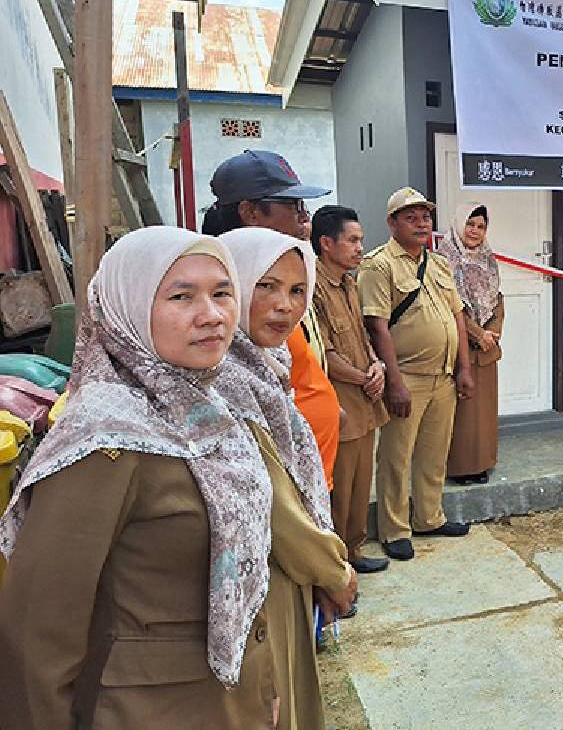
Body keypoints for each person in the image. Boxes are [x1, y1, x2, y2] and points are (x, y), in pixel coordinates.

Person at [0, 227, 276, 729]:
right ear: (126, 309)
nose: (211, 315)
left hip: (231, 702)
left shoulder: (215, 411)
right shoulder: (102, 442)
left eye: (221, 293)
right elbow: (38, 633)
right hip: (147, 711)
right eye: (180, 296)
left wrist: (264, 686)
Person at [220, 227, 357, 730]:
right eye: (266, 286)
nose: (285, 305)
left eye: (298, 291)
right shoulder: (224, 380)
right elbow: (276, 504)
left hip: (287, 574)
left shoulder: (262, 363)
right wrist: (334, 571)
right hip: (265, 583)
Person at [203, 149, 342, 489]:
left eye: (296, 291)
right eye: (292, 207)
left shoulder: (289, 274)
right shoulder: (222, 310)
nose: (303, 219)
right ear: (250, 212)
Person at [359, 188, 475, 561]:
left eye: (425, 216)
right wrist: (394, 383)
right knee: (396, 456)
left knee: (434, 454)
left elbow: (457, 314)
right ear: (392, 223)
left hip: (443, 376)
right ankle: (394, 529)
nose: (422, 223)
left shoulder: (438, 263)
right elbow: (376, 326)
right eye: (411, 217)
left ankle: (429, 517)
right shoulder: (378, 265)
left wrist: (464, 368)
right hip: (406, 376)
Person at [309, 206, 392, 574]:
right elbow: (324, 353)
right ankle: (336, 566)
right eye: (353, 240)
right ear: (327, 244)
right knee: (338, 492)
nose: (361, 248)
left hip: (365, 398)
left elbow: (362, 336)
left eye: (361, 240)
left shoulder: (349, 283)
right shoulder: (312, 287)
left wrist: (377, 365)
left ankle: (354, 552)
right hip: (339, 402)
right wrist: (364, 377)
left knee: (360, 487)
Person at [438, 203, 505, 485]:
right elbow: (449, 306)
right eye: (470, 224)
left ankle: (483, 463)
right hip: (460, 346)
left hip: (487, 350)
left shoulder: (488, 260)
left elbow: (498, 300)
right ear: (457, 225)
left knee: (484, 411)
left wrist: (493, 331)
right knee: (463, 411)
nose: (475, 231)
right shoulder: (443, 260)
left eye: (481, 226)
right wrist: (478, 334)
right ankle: (460, 467)